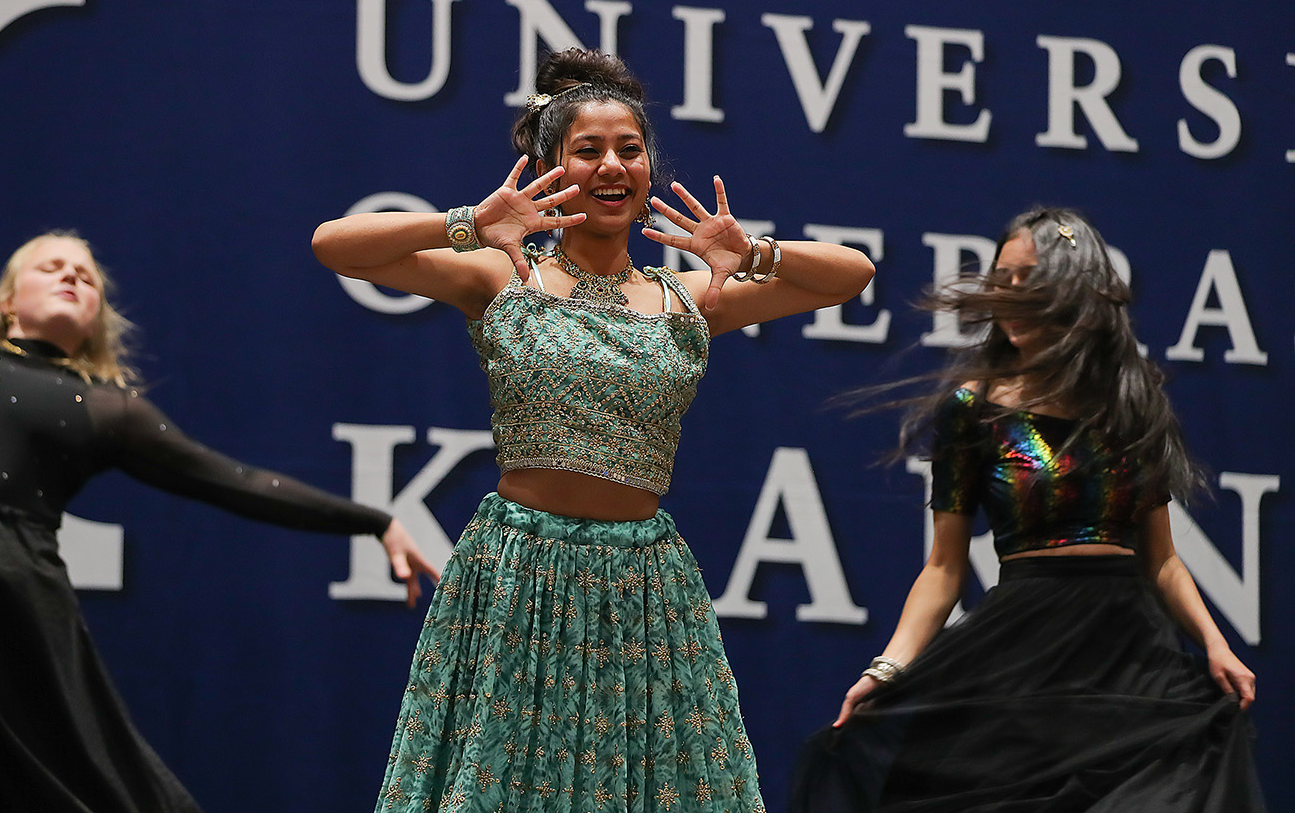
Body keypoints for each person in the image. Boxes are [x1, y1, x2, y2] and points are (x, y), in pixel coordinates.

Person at [312, 48, 874, 812]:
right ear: (552, 168)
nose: (612, 165)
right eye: (589, 150)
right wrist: (467, 225)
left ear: (648, 169)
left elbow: (852, 274)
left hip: (643, 589)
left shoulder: (688, 298)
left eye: (629, 149)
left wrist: (752, 253)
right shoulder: (506, 277)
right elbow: (333, 244)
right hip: (520, 573)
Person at [0, 232, 438, 813]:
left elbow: (238, 481)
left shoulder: (106, 406)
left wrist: (375, 520)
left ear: (96, 319)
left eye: (86, 277)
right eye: (51, 267)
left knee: (63, 765)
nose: (71, 277)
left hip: (5, 591)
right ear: (9, 300)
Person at [789, 208, 1264, 812]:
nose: (1008, 295)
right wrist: (886, 669)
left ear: (1073, 286)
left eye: (1028, 280)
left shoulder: (1130, 400)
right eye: (1001, 278)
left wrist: (1216, 644)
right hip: (1023, 650)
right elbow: (943, 568)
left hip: (1131, 655)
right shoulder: (973, 409)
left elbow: (1163, 560)